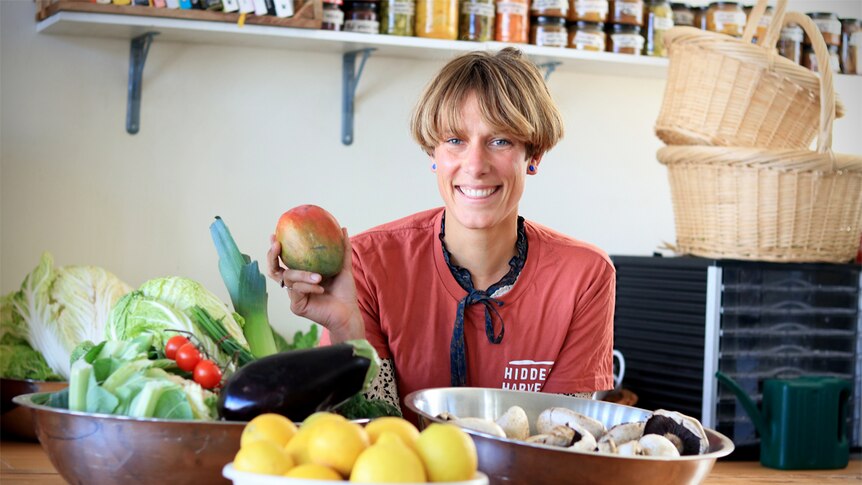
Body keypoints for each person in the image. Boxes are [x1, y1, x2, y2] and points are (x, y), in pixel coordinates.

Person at [268, 47, 615, 416]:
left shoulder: (585, 277)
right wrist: (346, 331)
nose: (476, 165)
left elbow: (561, 440)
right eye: (455, 140)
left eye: (500, 140)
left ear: (533, 156)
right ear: (433, 154)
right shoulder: (365, 264)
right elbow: (373, 437)